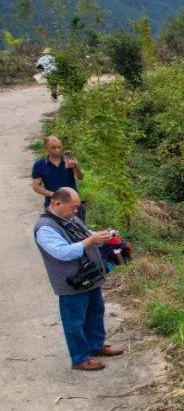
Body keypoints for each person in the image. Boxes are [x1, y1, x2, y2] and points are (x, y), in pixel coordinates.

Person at [33, 188, 123, 371]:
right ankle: (80, 358)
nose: (76, 212)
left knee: (95, 311)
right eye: (73, 208)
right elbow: (62, 252)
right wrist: (91, 241)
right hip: (71, 282)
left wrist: (100, 235)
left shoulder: (69, 218)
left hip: (89, 277)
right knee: (74, 321)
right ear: (58, 203)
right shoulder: (45, 228)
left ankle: (96, 346)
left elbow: (85, 233)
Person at [32, 135, 85, 221]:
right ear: (46, 148)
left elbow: (80, 177)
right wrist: (55, 195)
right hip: (54, 205)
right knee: (57, 231)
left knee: (80, 232)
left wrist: (76, 167)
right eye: (53, 148)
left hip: (73, 204)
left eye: (59, 147)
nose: (57, 150)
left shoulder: (69, 160)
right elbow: (36, 187)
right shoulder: (39, 165)